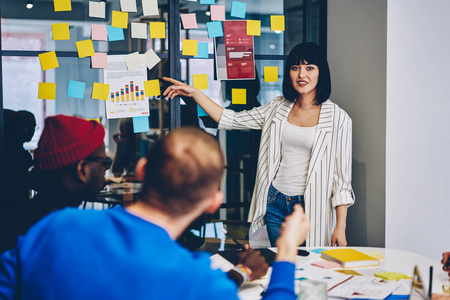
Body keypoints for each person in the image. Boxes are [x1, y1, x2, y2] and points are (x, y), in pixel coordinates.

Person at [0, 127, 311, 300]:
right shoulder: (198, 285)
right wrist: (285, 253)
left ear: (142, 169)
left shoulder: (55, 227)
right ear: (213, 202)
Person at [162, 42, 355, 247]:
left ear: (320, 73)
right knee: (280, 263)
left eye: (309, 68)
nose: (301, 75)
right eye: (295, 67)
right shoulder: (278, 107)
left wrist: (340, 227)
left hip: (311, 208)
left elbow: (341, 180)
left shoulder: (337, 119)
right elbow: (230, 119)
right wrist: (194, 93)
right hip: (276, 203)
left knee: (308, 270)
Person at [0, 114, 111, 253]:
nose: (104, 172)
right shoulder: (74, 238)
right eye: (105, 163)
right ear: (82, 170)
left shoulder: (25, 223)